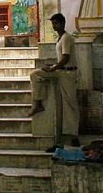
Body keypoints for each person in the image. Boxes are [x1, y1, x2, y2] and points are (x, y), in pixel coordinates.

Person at [28, 13, 80, 146]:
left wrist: (53, 68)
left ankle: (73, 135)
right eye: (53, 23)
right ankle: (38, 103)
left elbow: (65, 58)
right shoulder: (60, 38)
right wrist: (52, 67)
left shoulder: (67, 38)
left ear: (62, 23)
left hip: (68, 73)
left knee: (70, 104)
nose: (54, 25)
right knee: (35, 74)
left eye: (55, 23)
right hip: (60, 71)